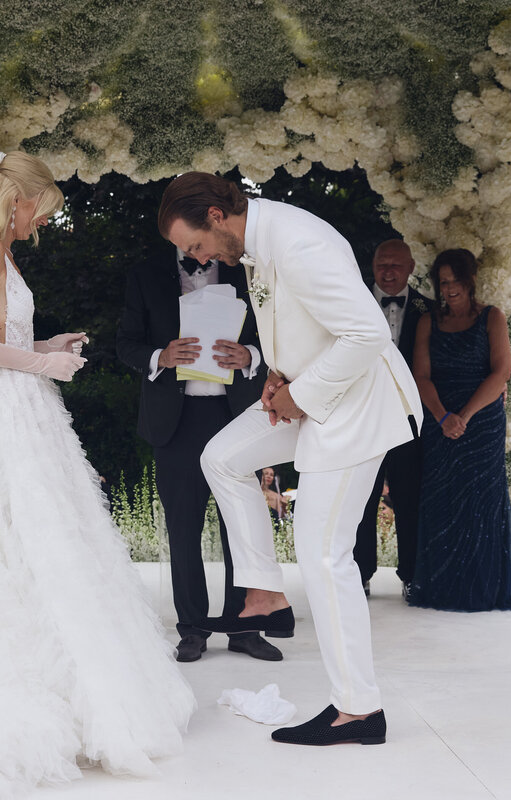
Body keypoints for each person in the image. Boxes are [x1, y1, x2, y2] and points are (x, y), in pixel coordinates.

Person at [0, 152, 193, 797]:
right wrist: (37, 366)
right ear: (15, 199)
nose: (40, 221)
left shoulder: (2, 252)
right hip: (6, 413)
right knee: (16, 543)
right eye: (39, 208)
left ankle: (80, 688)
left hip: (22, 407)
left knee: (48, 541)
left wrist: (45, 349)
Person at [160, 172, 423, 747]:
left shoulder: (297, 242)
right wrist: (279, 370)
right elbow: (305, 323)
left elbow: (367, 333)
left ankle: (359, 712)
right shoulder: (256, 240)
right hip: (310, 393)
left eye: (194, 244)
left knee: (325, 556)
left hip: (358, 408)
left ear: (215, 215)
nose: (197, 258)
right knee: (223, 456)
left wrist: (299, 396)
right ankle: (264, 593)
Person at [116, 244, 280, 664]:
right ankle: (192, 628)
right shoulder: (145, 273)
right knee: (183, 528)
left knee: (240, 526)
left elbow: (277, 335)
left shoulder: (247, 273)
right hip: (176, 420)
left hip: (235, 417)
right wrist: (161, 356)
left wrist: (252, 357)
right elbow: (126, 344)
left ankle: (244, 626)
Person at [408, 249, 511, 613]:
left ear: (471, 280)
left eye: (455, 281)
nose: (449, 289)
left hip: (482, 421)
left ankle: (485, 588)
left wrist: (464, 414)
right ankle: (442, 586)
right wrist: (443, 416)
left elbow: (501, 373)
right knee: (442, 499)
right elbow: (421, 376)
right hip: (439, 419)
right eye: (443, 282)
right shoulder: (428, 322)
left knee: (481, 501)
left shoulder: (492, 317)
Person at [354, 240, 433, 598]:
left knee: (409, 497)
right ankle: (358, 573)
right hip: (361, 418)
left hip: (408, 422)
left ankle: (413, 576)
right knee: (360, 498)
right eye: (382, 264)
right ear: (373, 263)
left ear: (411, 268)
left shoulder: (428, 310)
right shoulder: (351, 303)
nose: (388, 272)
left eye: (396, 266)